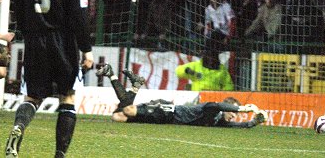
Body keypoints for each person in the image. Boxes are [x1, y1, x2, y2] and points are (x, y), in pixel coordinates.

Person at [5, 0, 94, 158]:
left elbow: (18, 5)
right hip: (62, 41)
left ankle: (19, 126)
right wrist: (86, 49)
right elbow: (80, 13)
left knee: (32, 96)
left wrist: (27, 32)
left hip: (35, 39)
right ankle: (59, 154)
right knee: (67, 97)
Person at [96, 64, 266, 127]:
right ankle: (117, 77)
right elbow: (220, 106)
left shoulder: (219, 122)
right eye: (233, 114)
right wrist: (242, 108)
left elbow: (240, 126)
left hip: (166, 121)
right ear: (229, 109)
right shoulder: (211, 108)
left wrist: (253, 122)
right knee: (127, 110)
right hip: (167, 111)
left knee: (117, 117)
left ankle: (132, 84)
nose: (233, 117)